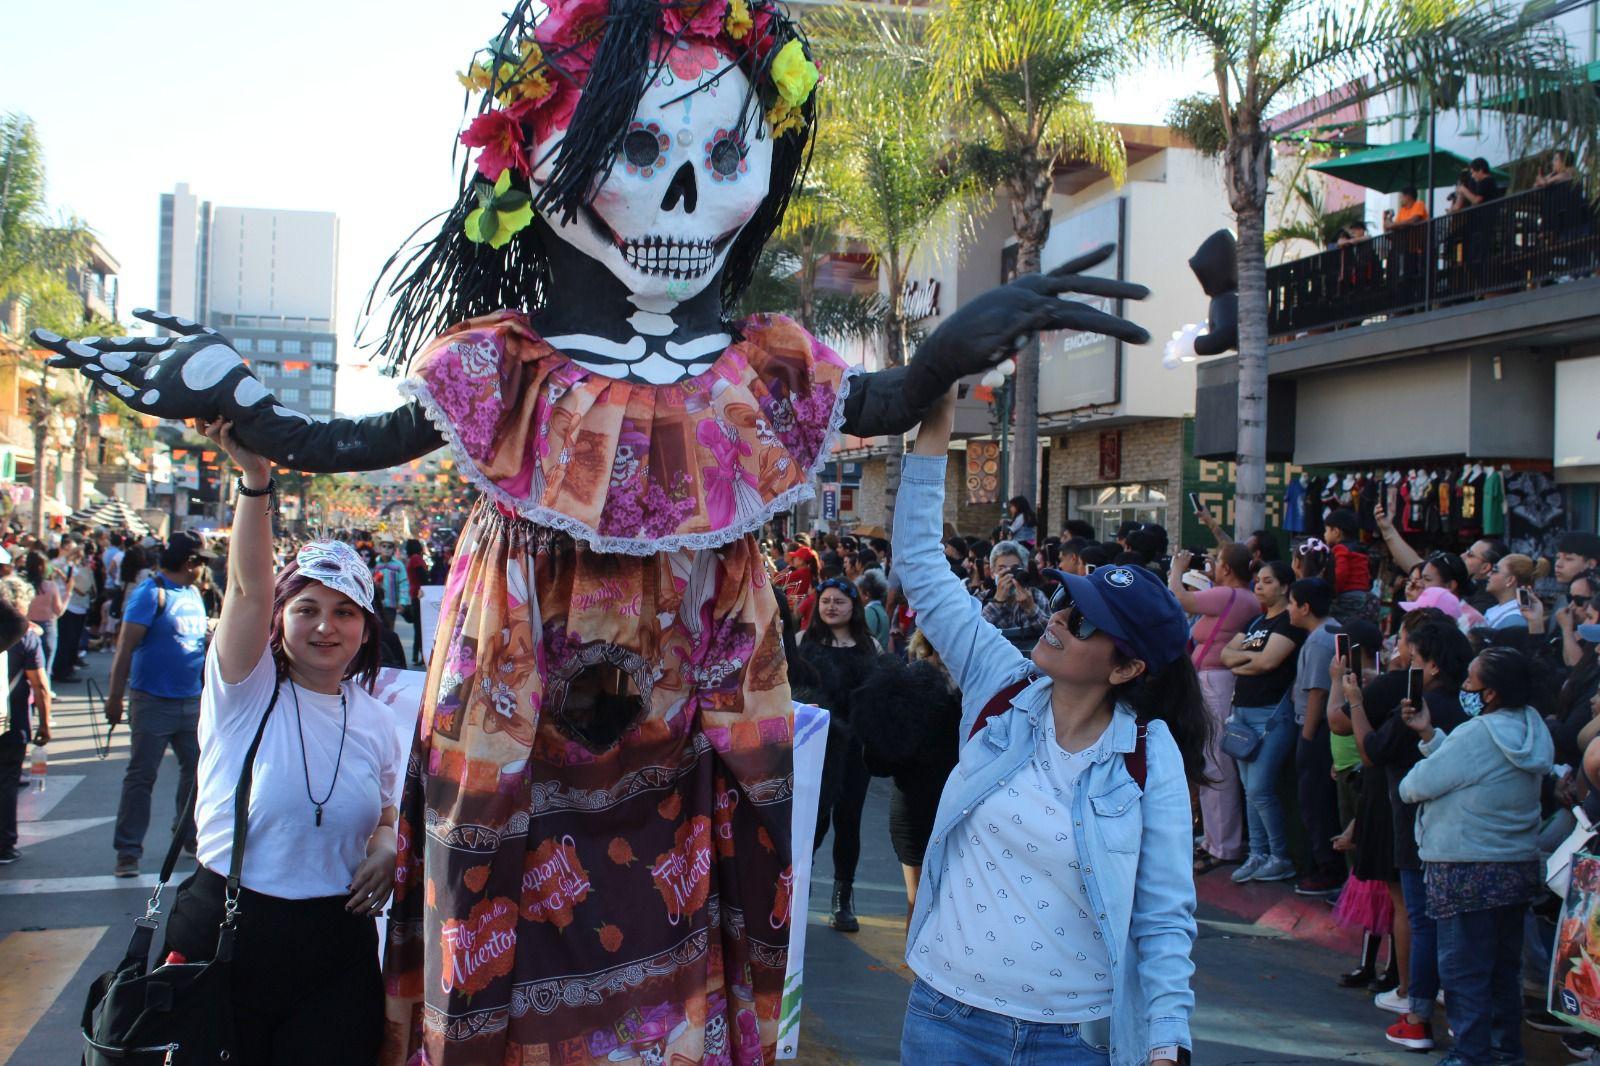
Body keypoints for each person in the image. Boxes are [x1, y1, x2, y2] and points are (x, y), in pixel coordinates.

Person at [894, 387, 1201, 1066]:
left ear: (1126, 669)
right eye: (1064, 602)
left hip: (1073, 1040)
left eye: (1084, 621)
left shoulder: (1149, 757)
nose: (1058, 621)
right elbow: (919, 565)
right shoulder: (998, 687)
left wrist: (1166, 1040)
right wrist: (934, 428)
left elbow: (1163, 914)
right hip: (946, 1017)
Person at [160, 418, 399, 1064]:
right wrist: (256, 482)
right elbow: (245, 588)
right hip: (229, 933)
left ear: (365, 628)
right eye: (307, 609)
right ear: (281, 619)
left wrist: (385, 845)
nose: (326, 626)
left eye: (344, 611)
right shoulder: (245, 686)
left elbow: (384, 809)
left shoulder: (375, 720)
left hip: (336, 948)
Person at [1397, 647, 1552, 1066]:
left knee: (1465, 973)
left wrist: (1433, 748)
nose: (1464, 687)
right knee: (1504, 972)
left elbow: (1414, 786)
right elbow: (1478, 772)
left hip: (1465, 867)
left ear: (1490, 694)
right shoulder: (1533, 728)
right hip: (1515, 867)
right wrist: (1431, 736)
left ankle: (1470, 1055)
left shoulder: (1478, 733)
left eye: (1470, 682)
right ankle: (1504, 1052)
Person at [1347, 617, 1472, 1051]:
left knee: (1422, 921)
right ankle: (1459, 1018)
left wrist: (1354, 701)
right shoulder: (1472, 716)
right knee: (1456, 928)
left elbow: (1373, 752)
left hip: (1417, 827)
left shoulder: (1415, 707)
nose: (1403, 657)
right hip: (1463, 836)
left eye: (1413, 656)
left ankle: (1417, 1012)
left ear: (1432, 666)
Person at [106, 531, 212, 878]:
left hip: (191, 701)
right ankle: (127, 851)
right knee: (141, 777)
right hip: (152, 701)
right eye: (202, 563)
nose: (203, 570)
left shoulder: (195, 593)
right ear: (189, 563)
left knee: (197, 774)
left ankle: (189, 836)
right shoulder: (150, 594)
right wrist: (115, 697)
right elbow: (125, 648)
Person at [851, 629, 963, 926]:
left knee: (956, 905)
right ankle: (916, 971)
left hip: (963, 808)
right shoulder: (910, 679)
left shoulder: (979, 682)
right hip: (915, 805)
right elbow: (879, 759)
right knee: (919, 902)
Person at [801, 576, 883, 933]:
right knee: (811, 822)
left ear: (854, 607)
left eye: (839, 601)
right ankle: (797, 890)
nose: (831, 606)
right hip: (816, 745)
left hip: (855, 748)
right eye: (826, 601)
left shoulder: (870, 646)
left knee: (848, 820)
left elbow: (880, 692)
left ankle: (842, 897)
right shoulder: (805, 641)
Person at [1169, 542, 1257, 871]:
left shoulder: (1230, 596)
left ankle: (1223, 845)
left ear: (1228, 569)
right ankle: (1214, 838)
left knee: (1215, 763)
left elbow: (1179, 599)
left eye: (1218, 562)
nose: (1215, 566)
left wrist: (1178, 568)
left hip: (1216, 684)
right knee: (1210, 761)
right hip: (1216, 682)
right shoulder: (1242, 597)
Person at [1221, 560, 1306, 884]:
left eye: (1267, 581)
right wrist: (1250, 664)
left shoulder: (1290, 622)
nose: (1259, 586)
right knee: (1249, 790)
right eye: (1257, 580)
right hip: (1242, 713)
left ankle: (1280, 856)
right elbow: (1226, 656)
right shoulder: (1256, 620)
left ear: (1285, 586)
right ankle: (1258, 853)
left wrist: (1245, 662)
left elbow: (1270, 661)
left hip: (1272, 715)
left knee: (1260, 788)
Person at [1287, 578, 1345, 897]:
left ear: (1305, 607)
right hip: (1320, 728)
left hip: (1317, 730)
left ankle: (1328, 870)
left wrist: (1307, 741)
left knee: (1316, 802)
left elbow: (1317, 695)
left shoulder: (1321, 640)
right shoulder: (1328, 632)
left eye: (1292, 603)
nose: (1288, 609)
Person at [0, 582, 46, 864]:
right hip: (11, 722)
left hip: (11, 722)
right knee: (6, 782)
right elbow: (39, 684)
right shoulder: (25, 636)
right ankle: (4, 842)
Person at [981, 540, 1049, 652]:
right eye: (1002, 569)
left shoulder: (1036, 596)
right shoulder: (981, 598)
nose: (1009, 574)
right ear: (993, 573)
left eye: (1015, 568)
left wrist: (1031, 609)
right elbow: (974, 636)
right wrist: (996, 602)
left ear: (1024, 570)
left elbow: (1052, 637)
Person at [52, 536, 96, 683]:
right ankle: (61, 671)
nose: (74, 553)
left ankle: (69, 668)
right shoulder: (57, 564)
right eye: (70, 549)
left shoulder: (77, 565)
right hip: (67, 606)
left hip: (80, 606)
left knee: (73, 641)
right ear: (62, 548)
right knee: (66, 640)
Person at [22, 550, 65, 679]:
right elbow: (59, 611)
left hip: (26, 628)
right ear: (41, 566)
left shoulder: (22, 586)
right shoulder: (50, 586)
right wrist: (68, 593)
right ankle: (44, 695)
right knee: (45, 668)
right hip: (47, 628)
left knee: (24, 670)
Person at [1482, 553, 1547, 629]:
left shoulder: (1515, 620)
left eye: (1495, 570)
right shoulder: (1505, 613)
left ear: (1510, 580)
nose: (1488, 575)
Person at [370, 539, 408, 635]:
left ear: (393, 549)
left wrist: (402, 602)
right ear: (379, 548)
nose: (386, 549)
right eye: (384, 546)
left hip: (390, 606)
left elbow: (403, 584)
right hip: (374, 605)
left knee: (389, 633)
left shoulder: (398, 565)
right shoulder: (373, 564)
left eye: (389, 547)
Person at [403, 539, 427, 666]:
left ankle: (418, 656)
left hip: (416, 595)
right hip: (419, 595)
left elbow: (420, 575)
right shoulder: (417, 559)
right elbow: (422, 576)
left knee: (419, 627)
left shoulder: (414, 559)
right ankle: (420, 656)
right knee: (420, 627)